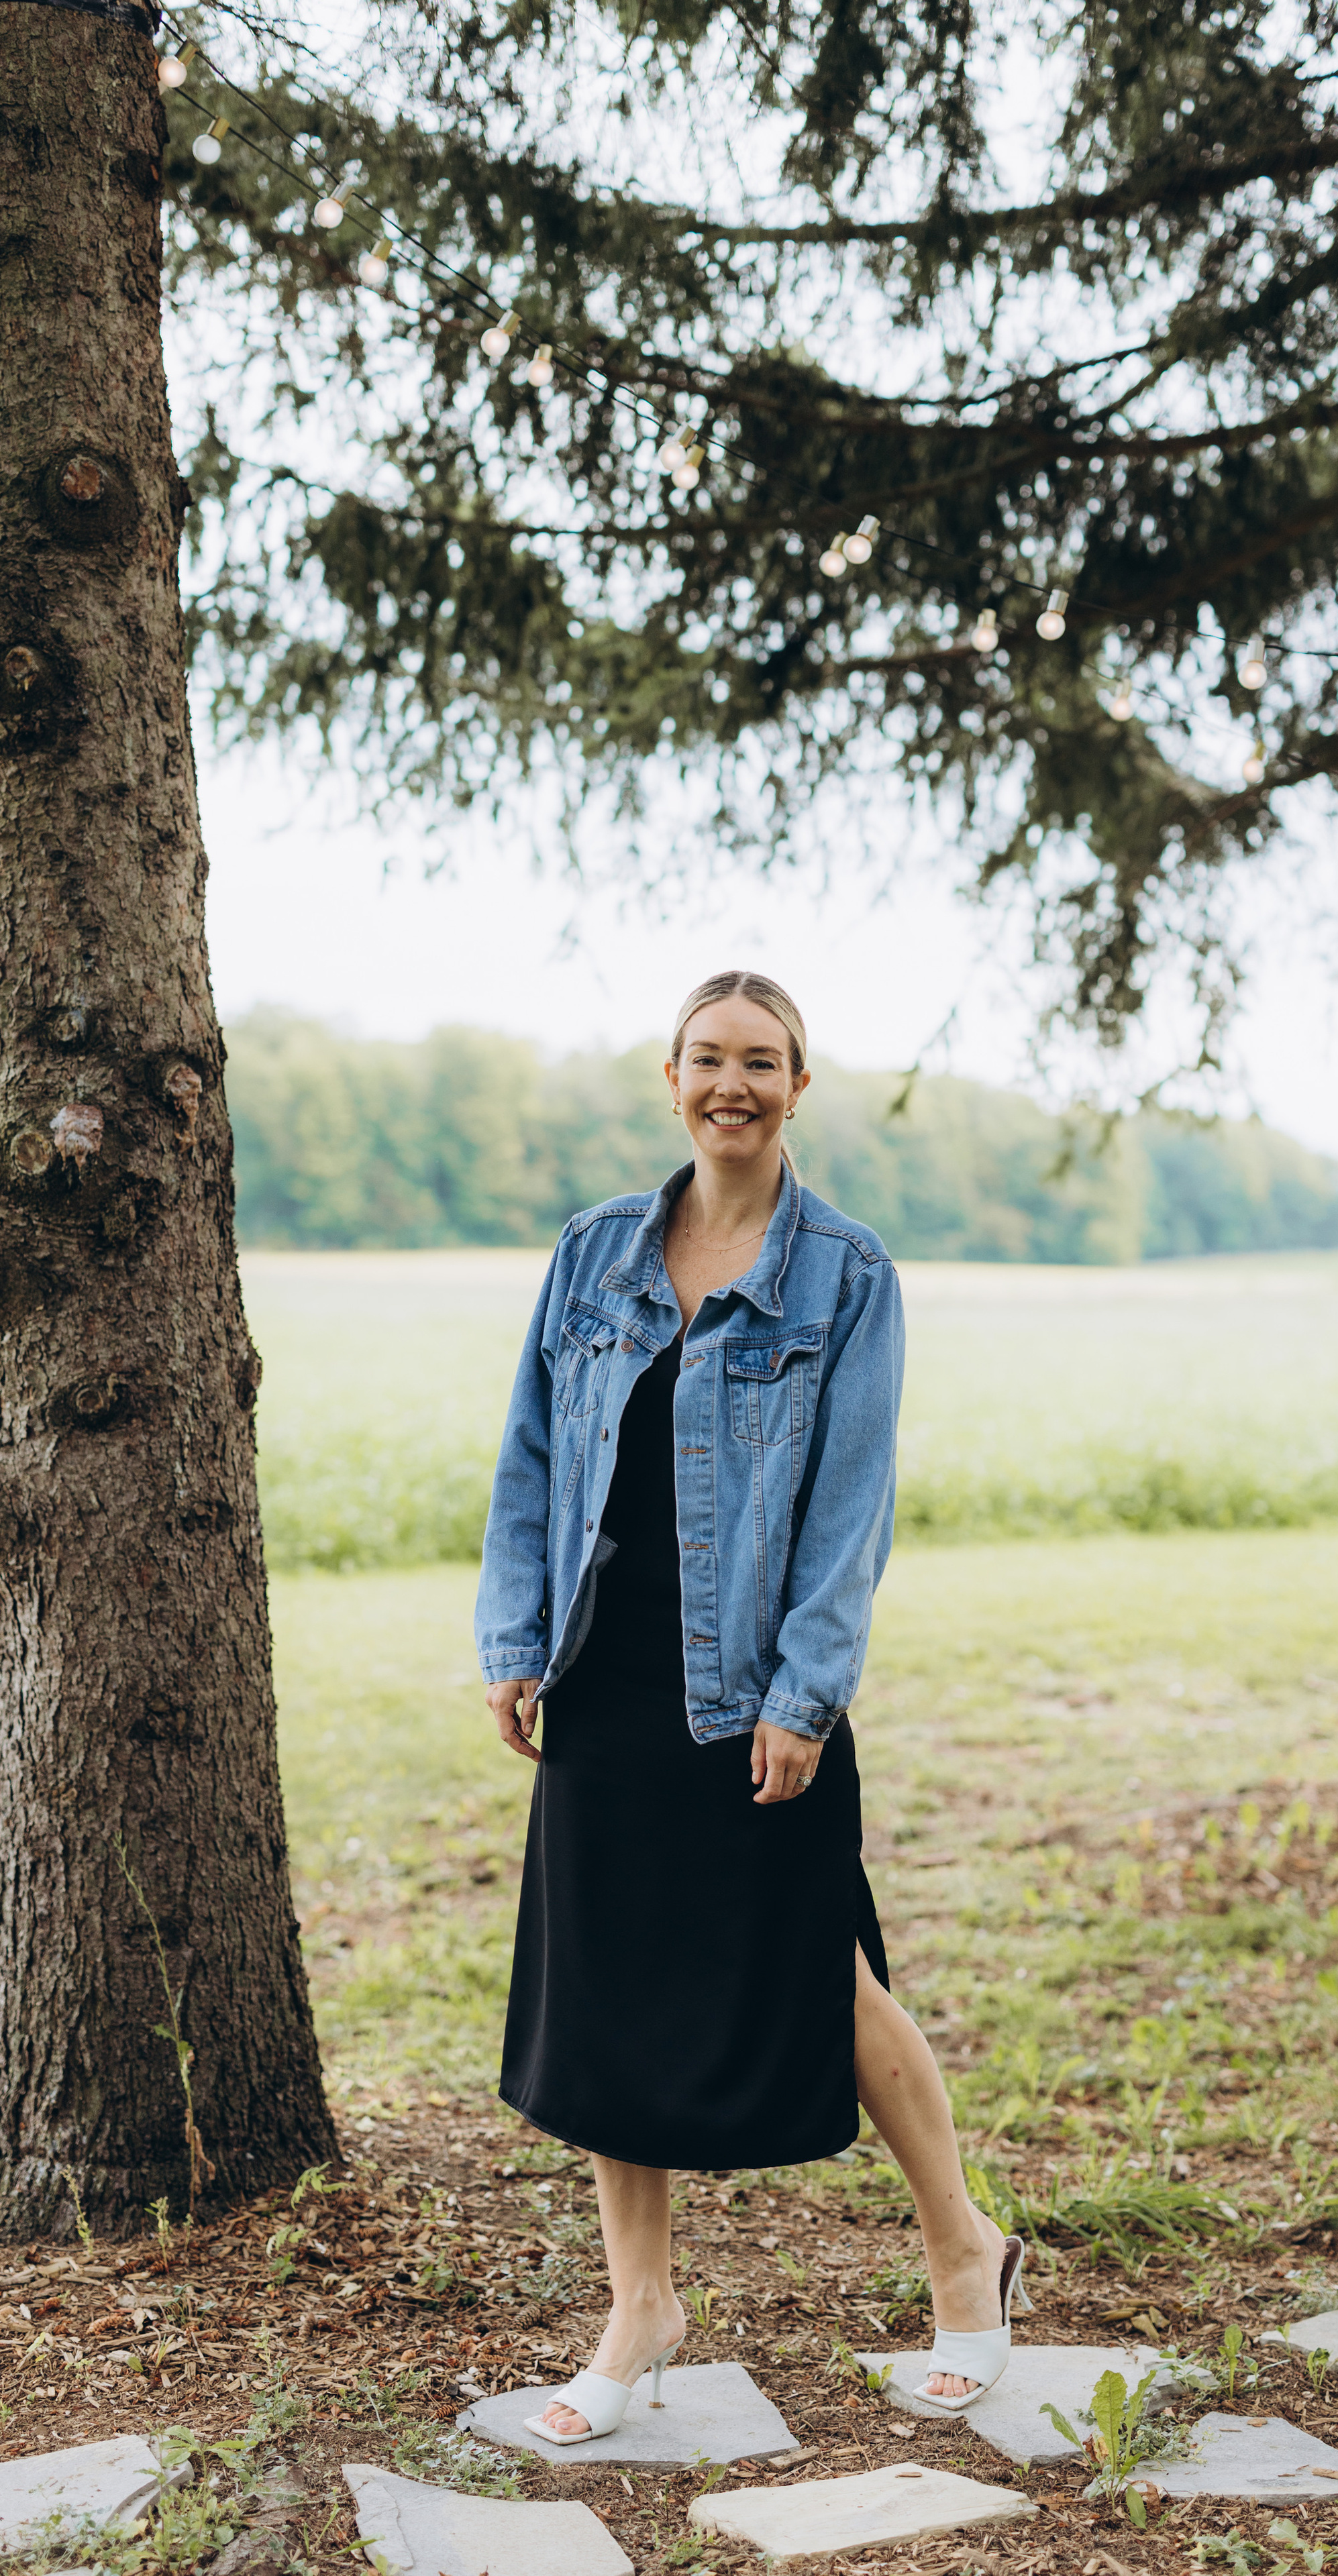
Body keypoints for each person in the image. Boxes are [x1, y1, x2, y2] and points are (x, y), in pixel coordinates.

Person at [474, 969, 1027, 2441]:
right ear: (670, 1081)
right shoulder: (593, 1252)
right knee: (602, 1993)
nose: (733, 1084)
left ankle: (963, 2255)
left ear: (797, 1087)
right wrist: (512, 1636)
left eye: (761, 1062)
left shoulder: (844, 1274)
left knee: (821, 1978)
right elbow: (529, 1458)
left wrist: (805, 1693)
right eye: (708, 1059)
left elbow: (853, 1509)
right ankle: (638, 2303)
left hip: (750, 1695)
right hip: (602, 1681)